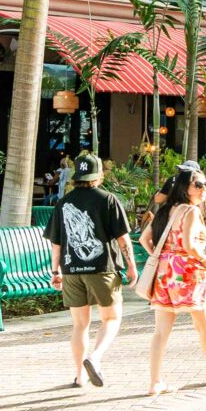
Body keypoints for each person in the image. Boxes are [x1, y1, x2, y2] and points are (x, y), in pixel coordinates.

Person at [44, 153, 134, 389]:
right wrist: (132, 266)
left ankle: (79, 376)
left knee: (80, 324)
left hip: (71, 270)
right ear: (99, 175)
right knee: (111, 318)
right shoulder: (108, 199)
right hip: (102, 268)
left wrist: (55, 272)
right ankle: (95, 357)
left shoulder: (63, 203)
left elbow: (56, 243)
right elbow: (123, 239)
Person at [139, 165, 206, 393]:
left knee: (161, 331)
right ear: (184, 188)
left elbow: (143, 239)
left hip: (165, 273)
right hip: (189, 272)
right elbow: (189, 244)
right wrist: (205, 260)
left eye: (205, 185)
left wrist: (162, 257)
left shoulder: (166, 210)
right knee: (204, 326)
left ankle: (155, 382)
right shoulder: (190, 211)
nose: (203, 189)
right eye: (198, 185)